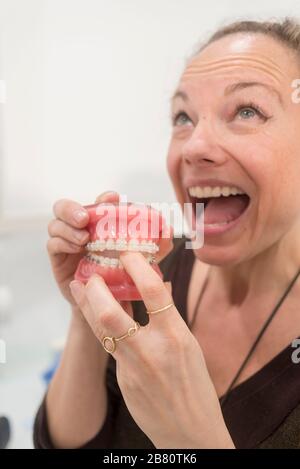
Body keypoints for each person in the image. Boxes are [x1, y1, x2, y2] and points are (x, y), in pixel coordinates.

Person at [33, 17, 300, 449]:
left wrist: (195, 439)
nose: (193, 146)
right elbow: (64, 442)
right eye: (183, 117)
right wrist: (86, 313)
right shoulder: (147, 268)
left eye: (247, 110)